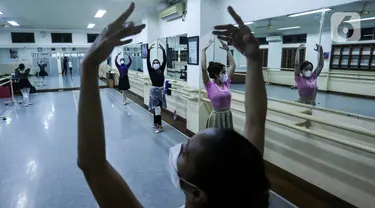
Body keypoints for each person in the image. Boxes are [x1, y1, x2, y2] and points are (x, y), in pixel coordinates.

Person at [77, 3, 269, 208]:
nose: (179, 148)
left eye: (185, 151)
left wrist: (88, 67)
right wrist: (254, 58)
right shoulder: (246, 184)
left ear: (197, 193)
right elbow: (255, 121)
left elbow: (92, 165)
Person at [202, 39, 236, 129]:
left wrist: (228, 50)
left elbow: (233, 65)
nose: (225, 74)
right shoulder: (210, 86)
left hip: (227, 115)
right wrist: (203, 51)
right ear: (216, 75)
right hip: (216, 117)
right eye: (223, 72)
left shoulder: (226, 83)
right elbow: (203, 69)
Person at [147, 42, 167, 133]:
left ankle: (160, 126)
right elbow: (147, 61)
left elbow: (165, 60)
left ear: (159, 64)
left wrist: (163, 50)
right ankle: (156, 123)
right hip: (154, 92)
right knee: (155, 109)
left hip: (160, 92)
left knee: (158, 109)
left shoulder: (161, 70)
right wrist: (148, 51)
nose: (155, 63)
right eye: (154, 62)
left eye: (157, 62)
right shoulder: (151, 71)